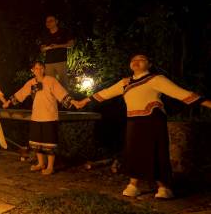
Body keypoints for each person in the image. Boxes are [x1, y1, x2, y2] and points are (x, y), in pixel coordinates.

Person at [74, 53, 211, 199]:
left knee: (156, 151)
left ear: (149, 64)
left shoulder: (156, 79)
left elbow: (181, 94)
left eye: (141, 59)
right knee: (134, 152)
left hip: (153, 120)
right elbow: (105, 93)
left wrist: (208, 103)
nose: (136, 62)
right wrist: (84, 101)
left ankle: (163, 187)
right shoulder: (125, 83)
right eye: (133, 60)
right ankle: (133, 185)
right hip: (133, 121)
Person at [4, 61, 75, 175]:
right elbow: (21, 93)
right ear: (33, 70)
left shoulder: (51, 81)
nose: (39, 70)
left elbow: (61, 93)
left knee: (49, 142)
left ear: (44, 69)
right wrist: (8, 102)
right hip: (37, 115)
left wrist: (73, 102)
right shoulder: (31, 83)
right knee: (37, 141)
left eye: (41, 68)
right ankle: (40, 163)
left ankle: (50, 166)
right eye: (36, 68)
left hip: (49, 116)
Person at [39, 15, 75, 87]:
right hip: (48, 62)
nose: (48, 23)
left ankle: (65, 98)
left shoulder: (64, 32)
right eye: (47, 21)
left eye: (51, 21)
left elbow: (71, 44)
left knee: (63, 83)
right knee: (49, 83)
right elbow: (42, 48)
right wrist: (48, 47)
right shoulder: (45, 34)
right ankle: (52, 98)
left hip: (61, 61)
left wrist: (57, 46)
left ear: (56, 21)